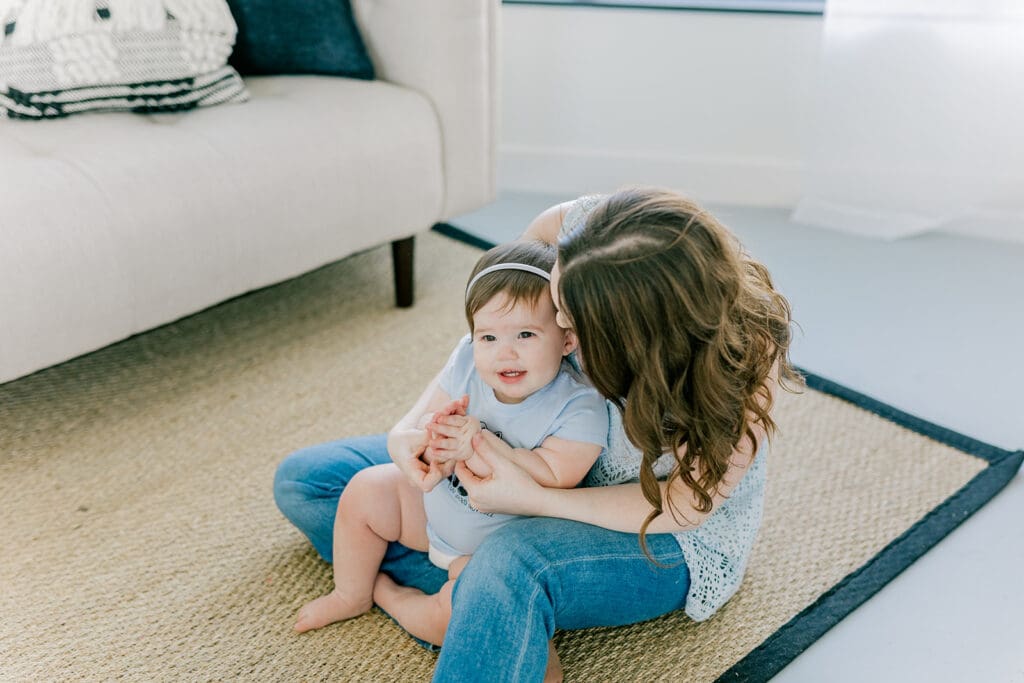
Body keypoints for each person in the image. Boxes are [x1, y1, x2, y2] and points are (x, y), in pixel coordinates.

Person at [274, 187, 800, 682]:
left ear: (635, 344)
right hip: (525, 448)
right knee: (312, 482)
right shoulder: (577, 231)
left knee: (507, 560)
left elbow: (684, 506)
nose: (556, 330)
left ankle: (493, 597)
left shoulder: (739, 375)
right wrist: (406, 433)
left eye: (571, 325)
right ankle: (491, 600)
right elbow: (497, 325)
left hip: (658, 526)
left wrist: (534, 498)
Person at [287, 240, 608, 677]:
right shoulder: (468, 361)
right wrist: (429, 444)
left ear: (567, 338)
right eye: (488, 337)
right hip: (434, 508)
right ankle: (351, 593)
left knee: (453, 615)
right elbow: (425, 421)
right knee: (365, 489)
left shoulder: (579, 406)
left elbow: (556, 477)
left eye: (526, 335)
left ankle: (397, 599)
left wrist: (482, 445)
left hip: (490, 551)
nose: (504, 352)